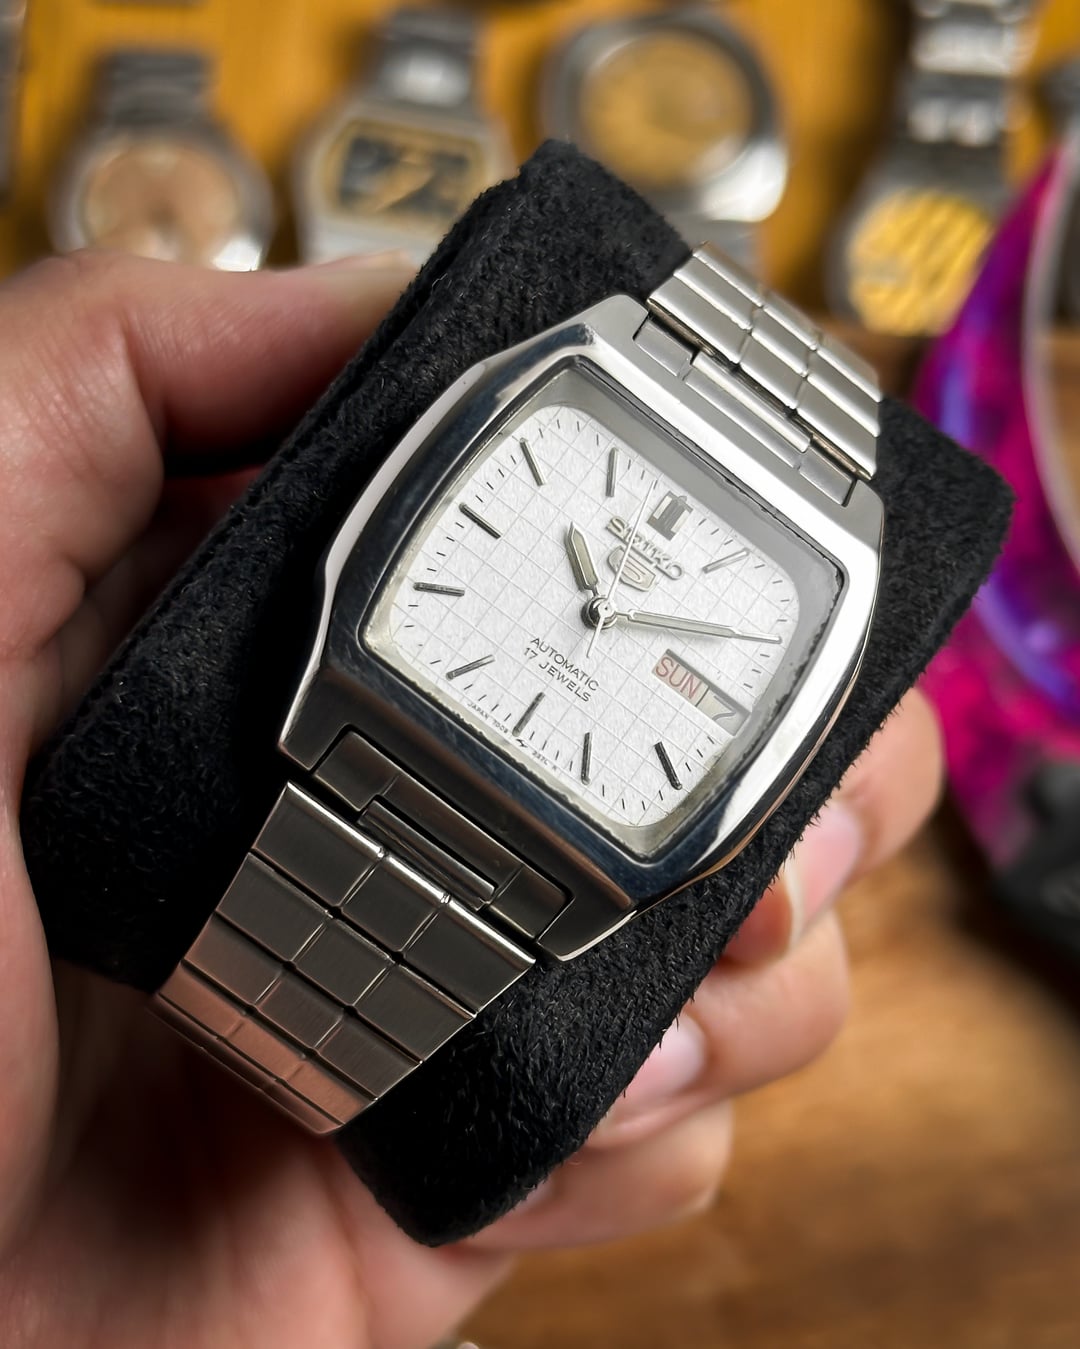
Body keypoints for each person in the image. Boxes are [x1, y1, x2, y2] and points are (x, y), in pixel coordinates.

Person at [0, 252, 943, 1349]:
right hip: (356, 716)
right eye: (598, 597)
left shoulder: (818, 572)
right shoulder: (582, 359)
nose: (599, 615)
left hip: (546, 865)